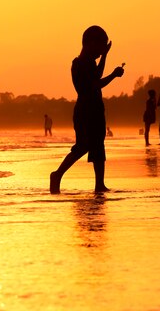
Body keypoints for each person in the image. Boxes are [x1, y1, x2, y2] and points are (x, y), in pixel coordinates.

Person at [49, 25, 125, 194]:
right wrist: (113, 75)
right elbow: (95, 83)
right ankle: (57, 174)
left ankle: (100, 184)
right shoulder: (80, 63)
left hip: (95, 108)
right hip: (86, 110)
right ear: (89, 43)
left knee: (98, 146)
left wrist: (105, 56)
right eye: (100, 47)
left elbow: (96, 75)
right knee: (83, 146)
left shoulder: (89, 62)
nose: (100, 52)